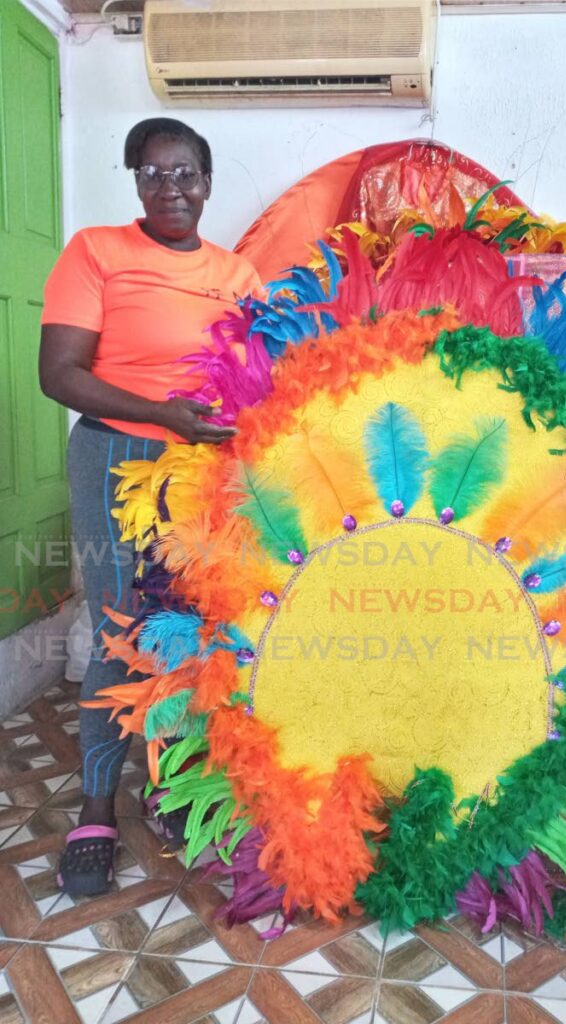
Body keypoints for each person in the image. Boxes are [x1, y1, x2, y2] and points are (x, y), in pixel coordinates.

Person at [39, 118, 263, 897]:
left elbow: (259, 369)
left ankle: (170, 788)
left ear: (208, 181)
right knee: (116, 627)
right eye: (155, 174)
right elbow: (59, 374)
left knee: (196, 629)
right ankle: (96, 809)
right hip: (116, 454)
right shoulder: (97, 252)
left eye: (186, 173)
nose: (173, 188)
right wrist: (163, 415)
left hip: (203, 469)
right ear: (136, 181)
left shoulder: (238, 274)